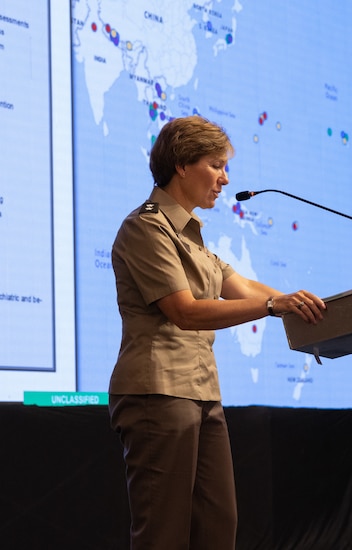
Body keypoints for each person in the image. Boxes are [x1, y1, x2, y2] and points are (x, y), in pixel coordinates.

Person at [108, 115, 326, 550]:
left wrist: (310, 309)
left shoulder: (194, 238)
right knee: (163, 535)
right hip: (159, 393)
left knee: (218, 529)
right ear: (182, 165)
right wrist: (273, 305)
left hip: (204, 395)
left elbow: (242, 287)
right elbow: (184, 312)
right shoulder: (145, 227)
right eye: (216, 165)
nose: (225, 179)